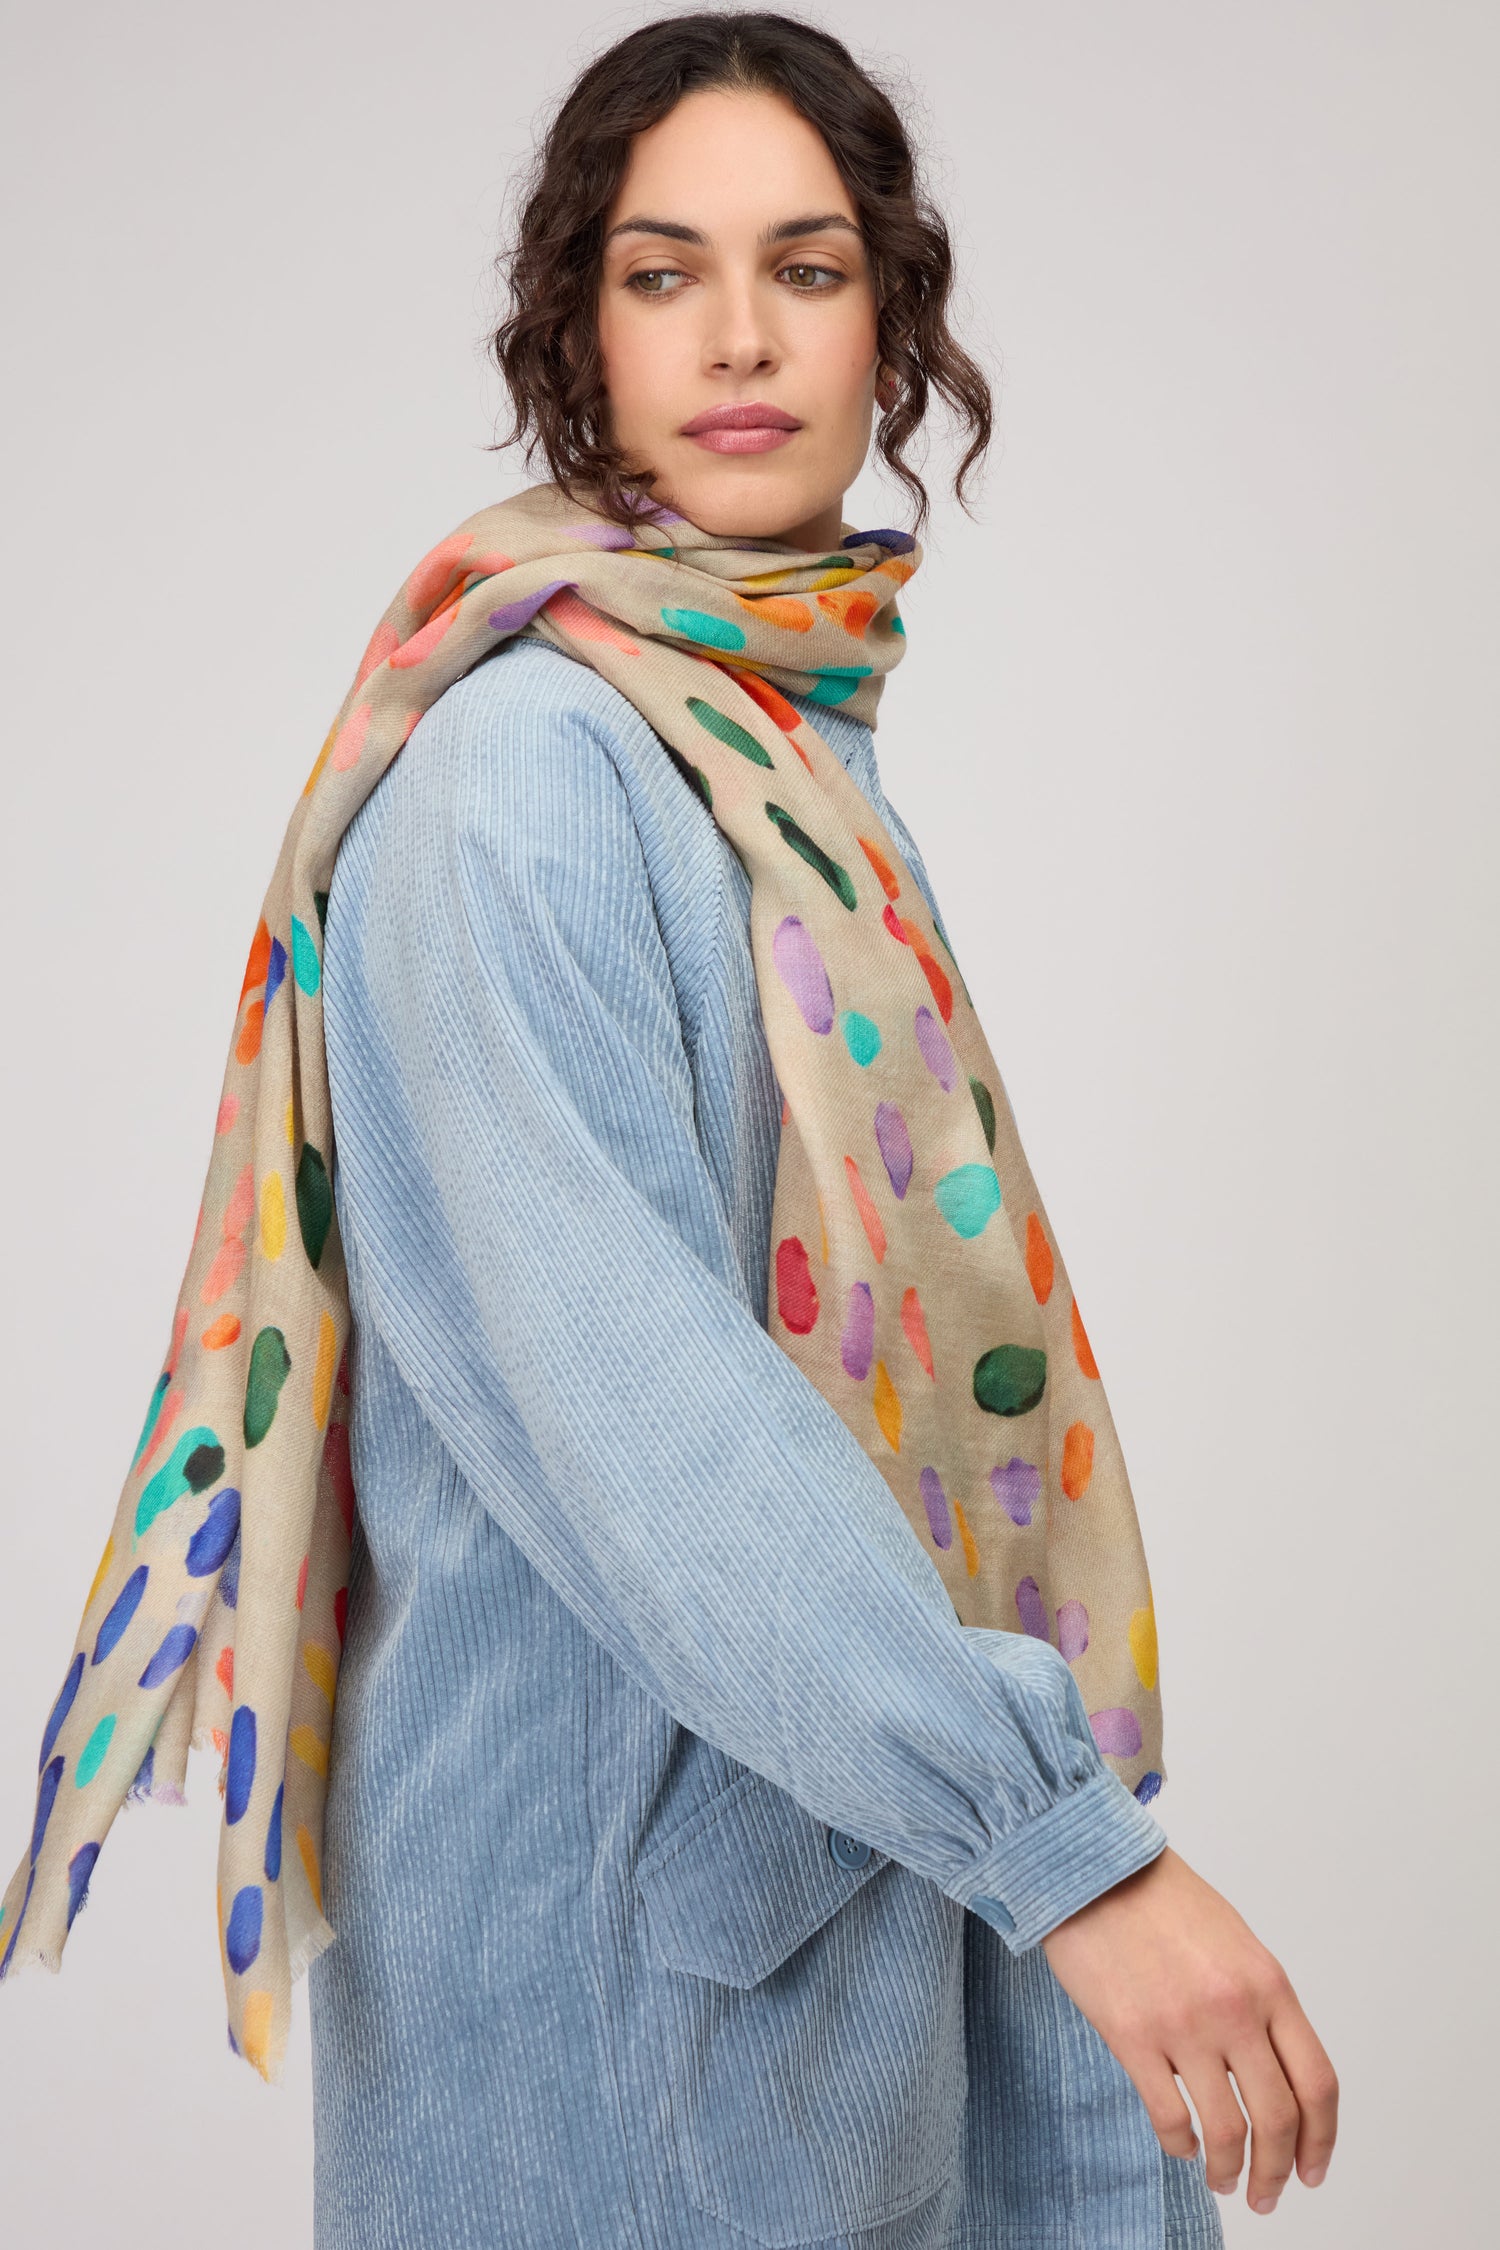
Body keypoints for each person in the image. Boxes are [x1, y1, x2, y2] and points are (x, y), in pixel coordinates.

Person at [2, 14, 1338, 2248]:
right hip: (617, 1999)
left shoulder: (775, 750)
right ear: (578, 335)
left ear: (893, 320)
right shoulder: (529, 779)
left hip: (808, 1918)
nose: (739, 336)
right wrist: (1062, 1845)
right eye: (663, 273)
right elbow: (649, 1427)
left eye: (809, 270)